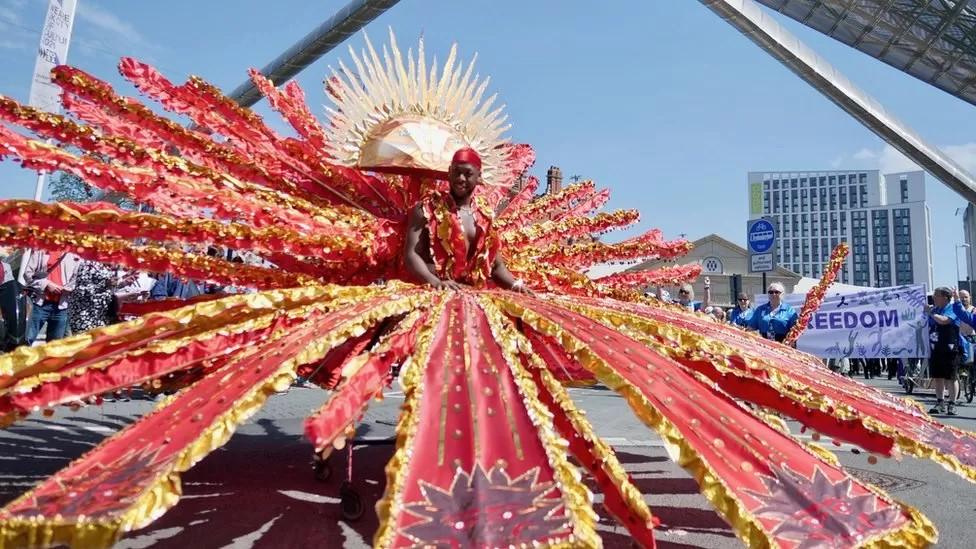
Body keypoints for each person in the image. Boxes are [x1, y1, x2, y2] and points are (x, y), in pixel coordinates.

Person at [403, 147, 530, 294]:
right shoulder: (426, 208)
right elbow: (411, 254)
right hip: (433, 292)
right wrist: (435, 282)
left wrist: (516, 286)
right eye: (457, 172)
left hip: (472, 295)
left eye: (468, 174)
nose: (461, 178)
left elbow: (495, 265)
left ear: (479, 176)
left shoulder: (484, 216)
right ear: (449, 172)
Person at [926, 287, 975, 415]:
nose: (934, 298)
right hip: (935, 347)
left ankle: (952, 404)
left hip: (951, 347)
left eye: (936, 295)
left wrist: (931, 313)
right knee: (938, 376)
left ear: (945, 297)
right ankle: (940, 402)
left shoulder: (952, 308)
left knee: (951, 376)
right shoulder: (934, 309)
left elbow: (945, 321)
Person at [19, 248, 81, 344]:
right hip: (38, 304)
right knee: (26, 341)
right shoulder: (40, 250)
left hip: (61, 307)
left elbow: (76, 278)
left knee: (54, 347)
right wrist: (46, 284)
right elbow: (28, 274)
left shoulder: (74, 255)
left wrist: (68, 288)